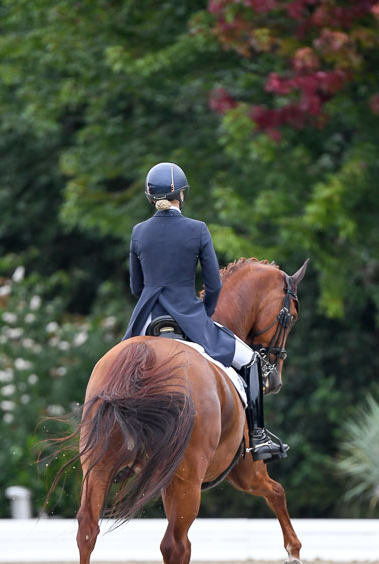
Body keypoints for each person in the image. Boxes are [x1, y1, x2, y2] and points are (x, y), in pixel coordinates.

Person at [122, 162, 288, 462]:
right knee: (251, 360)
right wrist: (203, 315)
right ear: (181, 195)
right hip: (189, 317)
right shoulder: (197, 229)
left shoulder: (138, 232)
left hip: (146, 318)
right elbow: (213, 285)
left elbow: (136, 287)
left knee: (118, 371)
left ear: (150, 197)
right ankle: (259, 437)